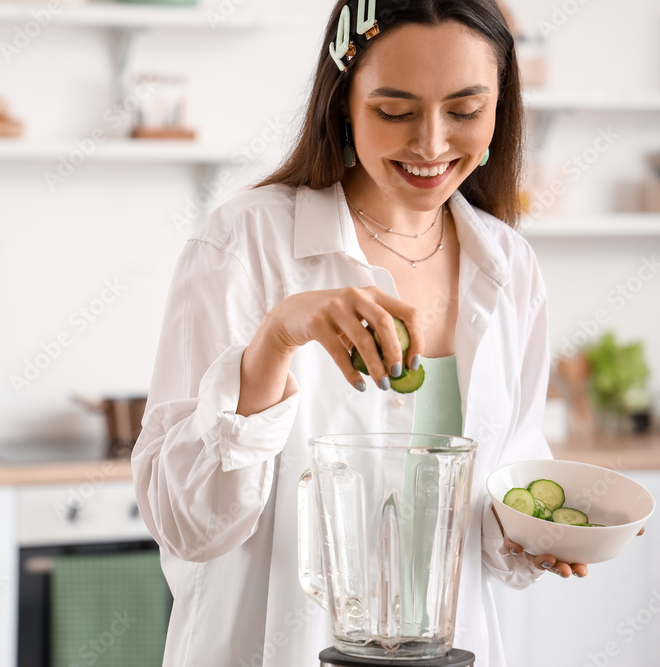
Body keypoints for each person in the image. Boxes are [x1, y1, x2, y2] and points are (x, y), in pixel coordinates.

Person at [131, 1, 590, 665]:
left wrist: (533, 534)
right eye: (395, 110)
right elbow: (187, 519)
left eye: (464, 109)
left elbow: (503, 492)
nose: (431, 144)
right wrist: (274, 340)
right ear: (344, 101)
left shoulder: (509, 264)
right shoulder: (245, 241)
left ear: (501, 107)